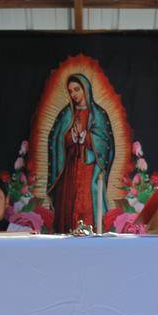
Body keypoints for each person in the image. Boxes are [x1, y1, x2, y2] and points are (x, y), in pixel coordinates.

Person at [47, 73, 114, 233]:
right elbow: (56, 140)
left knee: (87, 203)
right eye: (71, 91)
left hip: (90, 169)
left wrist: (87, 137)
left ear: (86, 89)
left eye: (77, 89)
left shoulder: (99, 114)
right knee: (69, 206)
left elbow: (105, 143)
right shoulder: (66, 114)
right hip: (69, 169)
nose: (74, 94)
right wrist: (71, 136)